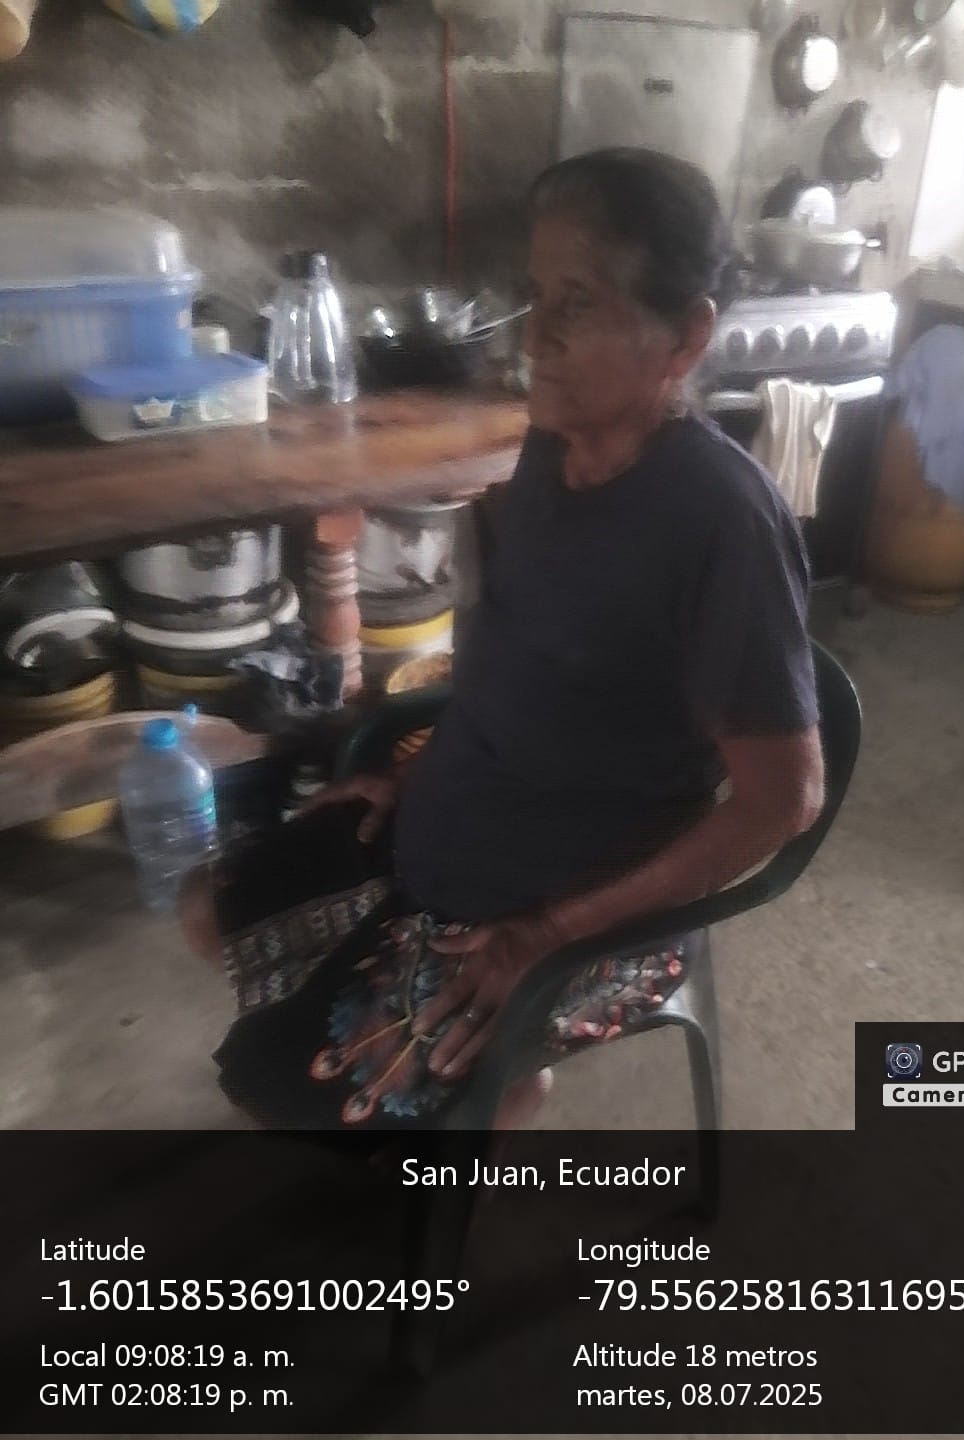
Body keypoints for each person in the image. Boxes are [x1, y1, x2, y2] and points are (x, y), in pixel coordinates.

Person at [181, 147, 824, 1130]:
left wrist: (549, 931)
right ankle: (484, 1082)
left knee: (278, 1082)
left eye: (580, 304)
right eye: (536, 298)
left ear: (686, 336)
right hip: (454, 824)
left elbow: (784, 800)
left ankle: (504, 1096)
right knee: (210, 905)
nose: (538, 339)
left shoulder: (720, 521)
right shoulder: (550, 448)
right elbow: (524, 663)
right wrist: (411, 769)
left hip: (587, 912)